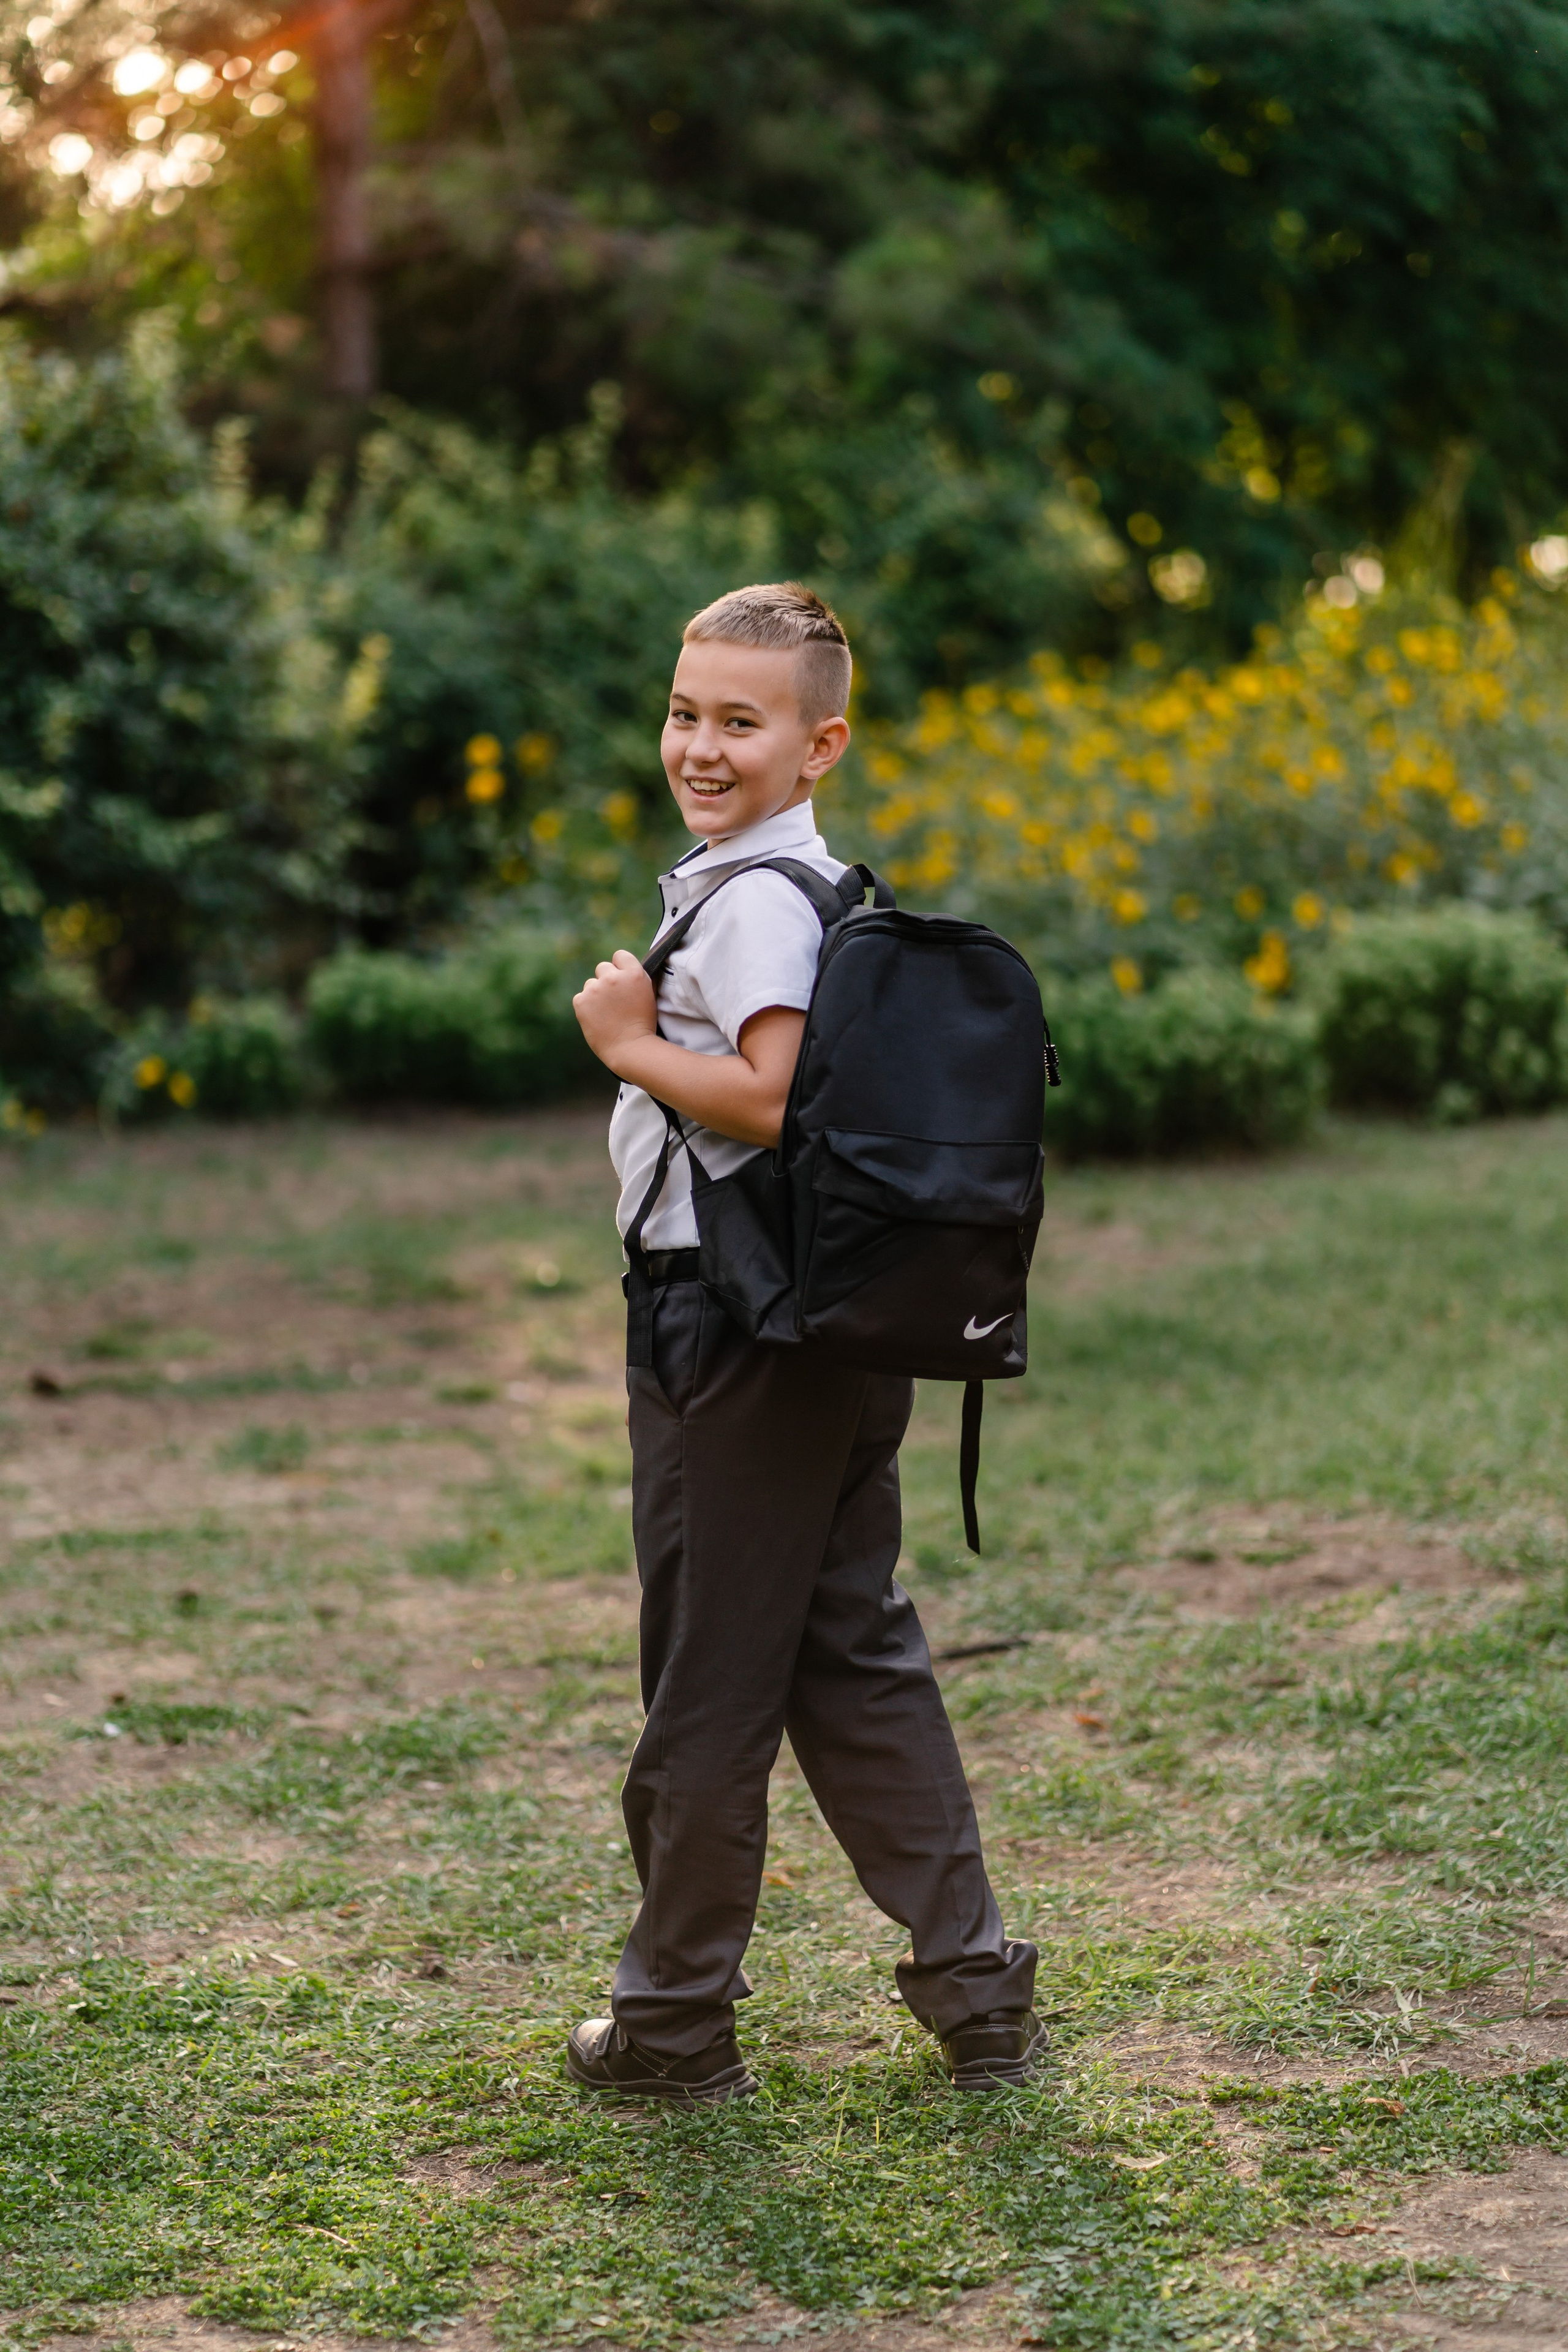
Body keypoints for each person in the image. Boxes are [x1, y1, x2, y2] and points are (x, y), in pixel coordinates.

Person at [567, 581, 1041, 2101]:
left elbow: (774, 1099)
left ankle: (672, 2025)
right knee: (850, 1650)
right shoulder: (800, 883)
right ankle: (974, 1989)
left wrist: (633, 1045)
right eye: (685, 712)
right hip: (825, 1329)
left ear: (818, 741)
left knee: (709, 1679)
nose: (701, 746)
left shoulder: (760, 900)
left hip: (734, 1330)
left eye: (740, 721)